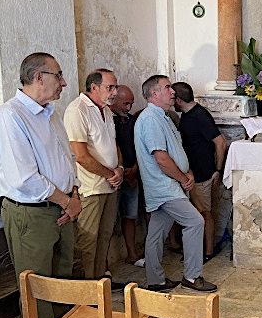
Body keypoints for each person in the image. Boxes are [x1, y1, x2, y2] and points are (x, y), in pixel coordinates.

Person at [0, 52, 80, 318]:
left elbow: (67, 159)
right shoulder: (11, 117)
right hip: (32, 214)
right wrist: (65, 200)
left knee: (60, 279)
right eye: (58, 75)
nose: (64, 82)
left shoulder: (50, 114)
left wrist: (75, 196)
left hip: (60, 207)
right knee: (36, 286)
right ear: (38, 77)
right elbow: (24, 176)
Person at [134, 75, 217, 293]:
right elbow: (161, 158)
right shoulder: (151, 119)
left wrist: (187, 171)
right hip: (165, 186)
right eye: (168, 87)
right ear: (154, 93)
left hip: (170, 185)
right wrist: (183, 178)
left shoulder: (164, 117)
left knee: (155, 233)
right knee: (195, 222)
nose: (173, 92)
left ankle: (156, 280)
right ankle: (192, 276)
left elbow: (174, 150)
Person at [64, 69, 122, 280]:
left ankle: (99, 286)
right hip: (90, 187)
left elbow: (113, 144)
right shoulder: (77, 110)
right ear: (94, 87)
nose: (115, 92)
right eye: (110, 87)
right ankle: (87, 291)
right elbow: (80, 155)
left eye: (115, 87)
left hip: (109, 184)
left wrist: (120, 170)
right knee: (88, 241)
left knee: (105, 237)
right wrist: (110, 174)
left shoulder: (106, 110)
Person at [173, 82, 227, 262]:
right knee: (192, 214)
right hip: (189, 174)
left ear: (179, 100)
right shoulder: (188, 115)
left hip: (202, 174)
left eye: (174, 98)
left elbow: (220, 142)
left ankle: (208, 251)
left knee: (204, 213)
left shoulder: (199, 116)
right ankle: (194, 250)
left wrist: (217, 170)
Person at [109, 84, 143, 265]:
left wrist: (135, 168)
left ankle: (132, 254)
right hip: (113, 177)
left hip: (132, 176)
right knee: (109, 222)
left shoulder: (132, 121)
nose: (129, 108)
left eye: (131, 104)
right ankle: (104, 263)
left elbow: (139, 145)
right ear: (113, 101)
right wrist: (121, 170)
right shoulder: (107, 120)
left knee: (131, 216)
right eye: (125, 103)